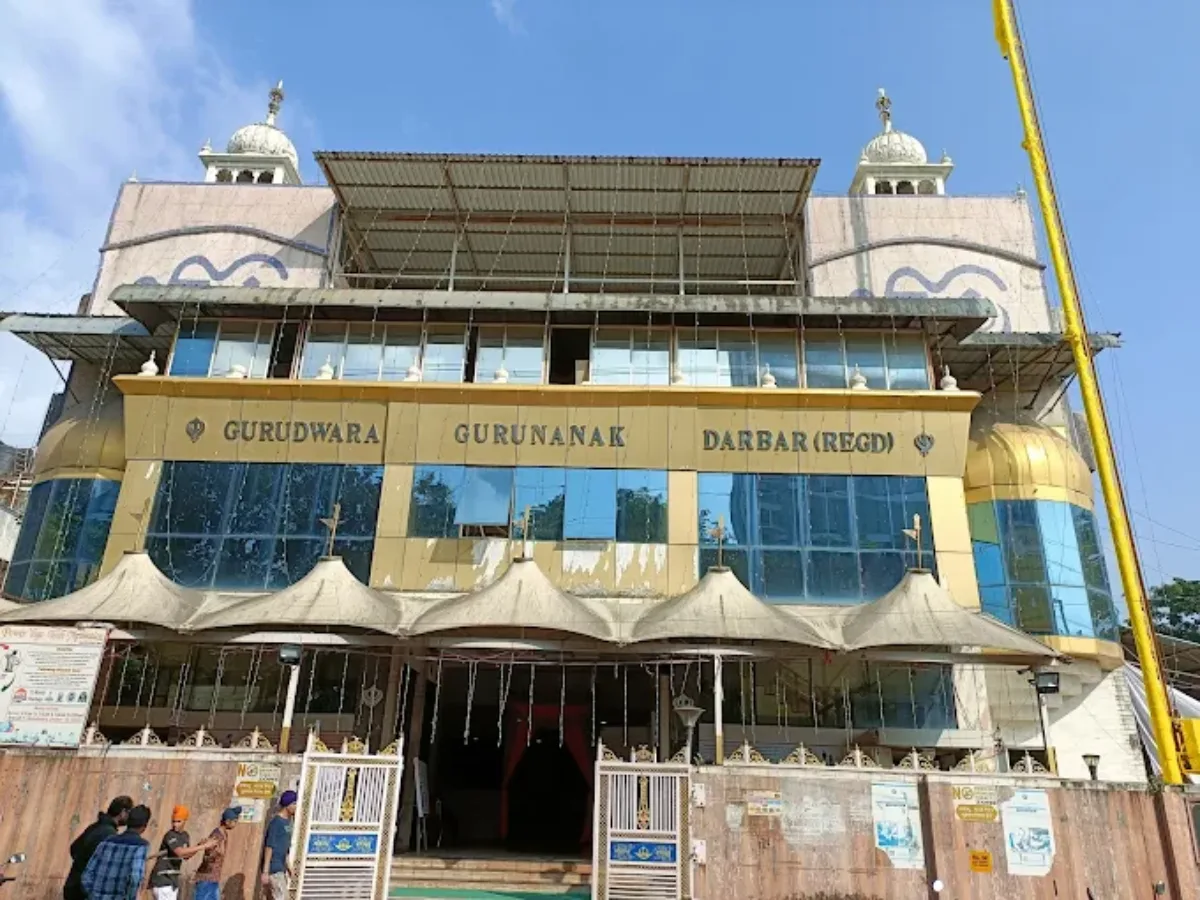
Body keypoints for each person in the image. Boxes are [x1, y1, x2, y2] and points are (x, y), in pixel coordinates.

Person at [64, 796, 133, 900]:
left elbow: (74, 849)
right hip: (84, 891)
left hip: (72, 886)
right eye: (129, 812)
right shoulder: (109, 835)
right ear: (123, 812)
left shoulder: (95, 827)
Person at [80, 804, 152, 900]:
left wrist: (92, 895)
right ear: (144, 827)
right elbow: (135, 878)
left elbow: (86, 875)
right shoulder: (140, 846)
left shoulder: (106, 842)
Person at [146, 805, 214, 900]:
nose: (175, 824)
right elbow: (180, 852)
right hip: (162, 881)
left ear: (185, 821)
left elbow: (186, 856)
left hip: (172, 881)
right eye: (173, 821)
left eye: (178, 821)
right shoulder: (170, 835)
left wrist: (199, 845)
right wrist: (203, 846)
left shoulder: (185, 836)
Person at [193, 806, 241, 900]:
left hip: (214, 878)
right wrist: (216, 851)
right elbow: (208, 855)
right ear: (227, 821)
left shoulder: (224, 834)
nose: (236, 824)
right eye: (235, 821)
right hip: (206, 878)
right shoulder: (216, 835)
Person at [261, 790, 297, 899]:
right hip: (274, 868)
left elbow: (284, 846)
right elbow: (269, 846)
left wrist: (289, 866)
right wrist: (265, 871)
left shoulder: (288, 822)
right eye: (294, 803)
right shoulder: (276, 822)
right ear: (287, 805)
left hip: (281, 868)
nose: (296, 806)